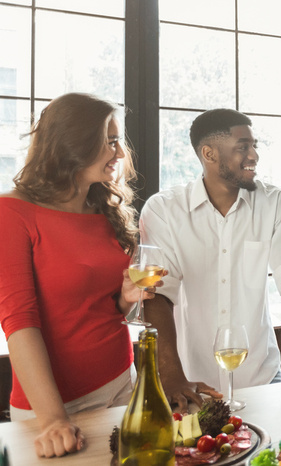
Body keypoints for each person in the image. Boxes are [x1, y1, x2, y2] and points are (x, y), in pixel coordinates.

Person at [139, 108, 281, 410]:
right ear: (209, 153)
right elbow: (157, 296)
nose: (254, 155)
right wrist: (171, 376)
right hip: (193, 383)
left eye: (254, 145)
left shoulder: (275, 203)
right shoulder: (163, 210)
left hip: (261, 376)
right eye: (243, 147)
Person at [0, 93, 160, 458]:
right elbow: (19, 322)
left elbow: (105, 310)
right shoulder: (12, 212)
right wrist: (53, 419)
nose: (120, 153)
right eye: (110, 141)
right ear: (73, 142)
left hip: (123, 383)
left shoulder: (104, 210)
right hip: (54, 409)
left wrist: (126, 297)